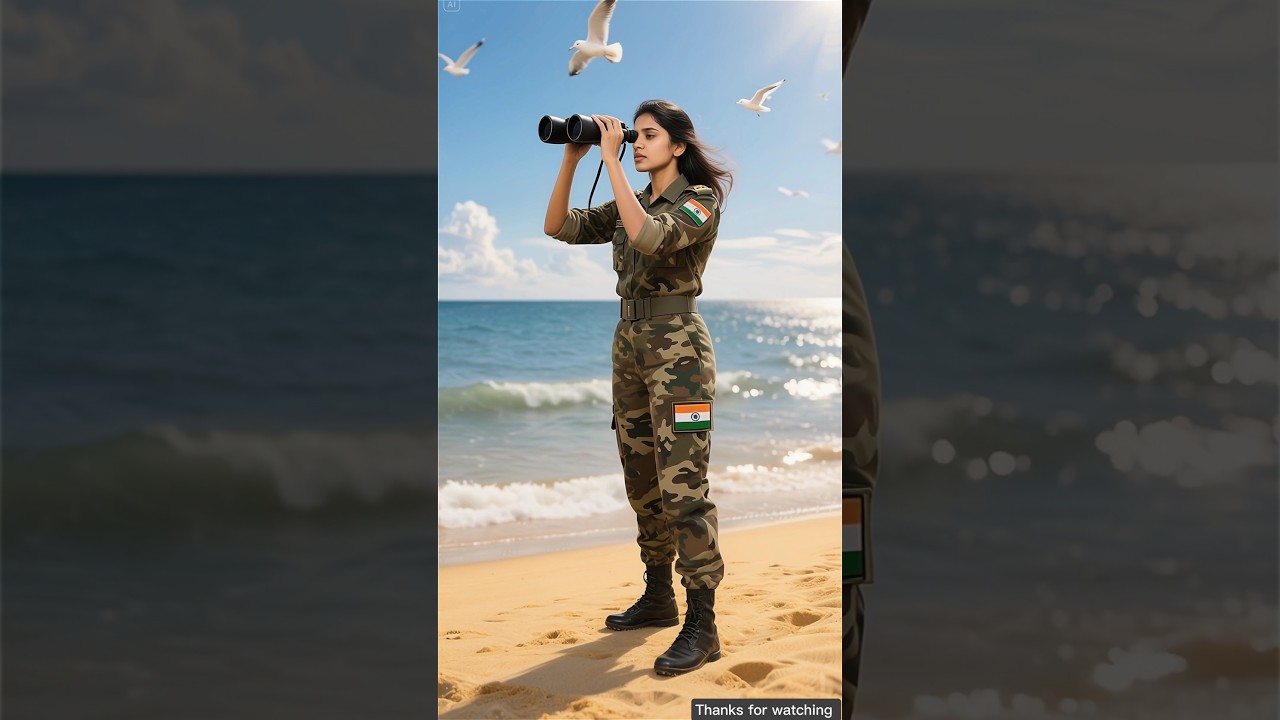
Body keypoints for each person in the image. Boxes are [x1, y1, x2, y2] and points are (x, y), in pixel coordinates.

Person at [543, 99, 732, 677]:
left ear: (678, 146)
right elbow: (558, 226)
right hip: (630, 344)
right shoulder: (634, 199)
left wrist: (614, 163)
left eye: (649, 136)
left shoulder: (700, 201)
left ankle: (704, 626)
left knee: (684, 489)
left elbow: (650, 239)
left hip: (680, 350)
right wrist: (574, 160)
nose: (637, 142)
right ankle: (658, 597)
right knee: (642, 478)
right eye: (635, 136)